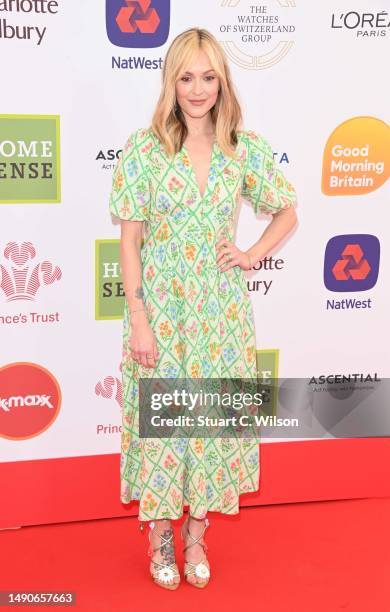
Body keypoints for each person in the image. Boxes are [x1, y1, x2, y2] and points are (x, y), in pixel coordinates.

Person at [109, 27, 298, 590]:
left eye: (208, 77)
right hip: (162, 314)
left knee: (211, 427)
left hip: (220, 315)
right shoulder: (144, 150)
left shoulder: (244, 148)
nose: (197, 89)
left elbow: (287, 211)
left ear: (222, 81)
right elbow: (129, 242)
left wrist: (251, 254)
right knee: (164, 429)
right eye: (186, 77)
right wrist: (138, 318)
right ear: (172, 81)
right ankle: (161, 536)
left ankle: (196, 534)